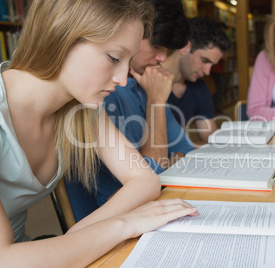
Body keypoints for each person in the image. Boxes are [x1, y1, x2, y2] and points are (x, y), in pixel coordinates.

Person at [0, 0, 197, 267]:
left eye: (127, 61)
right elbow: (6, 258)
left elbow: (145, 180)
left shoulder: (81, 107)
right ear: (62, 35)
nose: (123, 78)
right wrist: (124, 223)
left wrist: (72, 243)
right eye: (114, 57)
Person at [95, 0, 193, 207]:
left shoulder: (145, 84)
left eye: (168, 50)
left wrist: (167, 161)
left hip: (151, 207)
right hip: (115, 223)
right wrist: (156, 102)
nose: (162, 58)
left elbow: (187, 149)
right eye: (157, 46)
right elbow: (152, 174)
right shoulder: (105, 91)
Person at [162, 16, 232, 144]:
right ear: (185, 47)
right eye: (204, 61)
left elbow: (210, 139)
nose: (207, 71)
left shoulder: (199, 87)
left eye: (212, 65)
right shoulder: (144, 82)